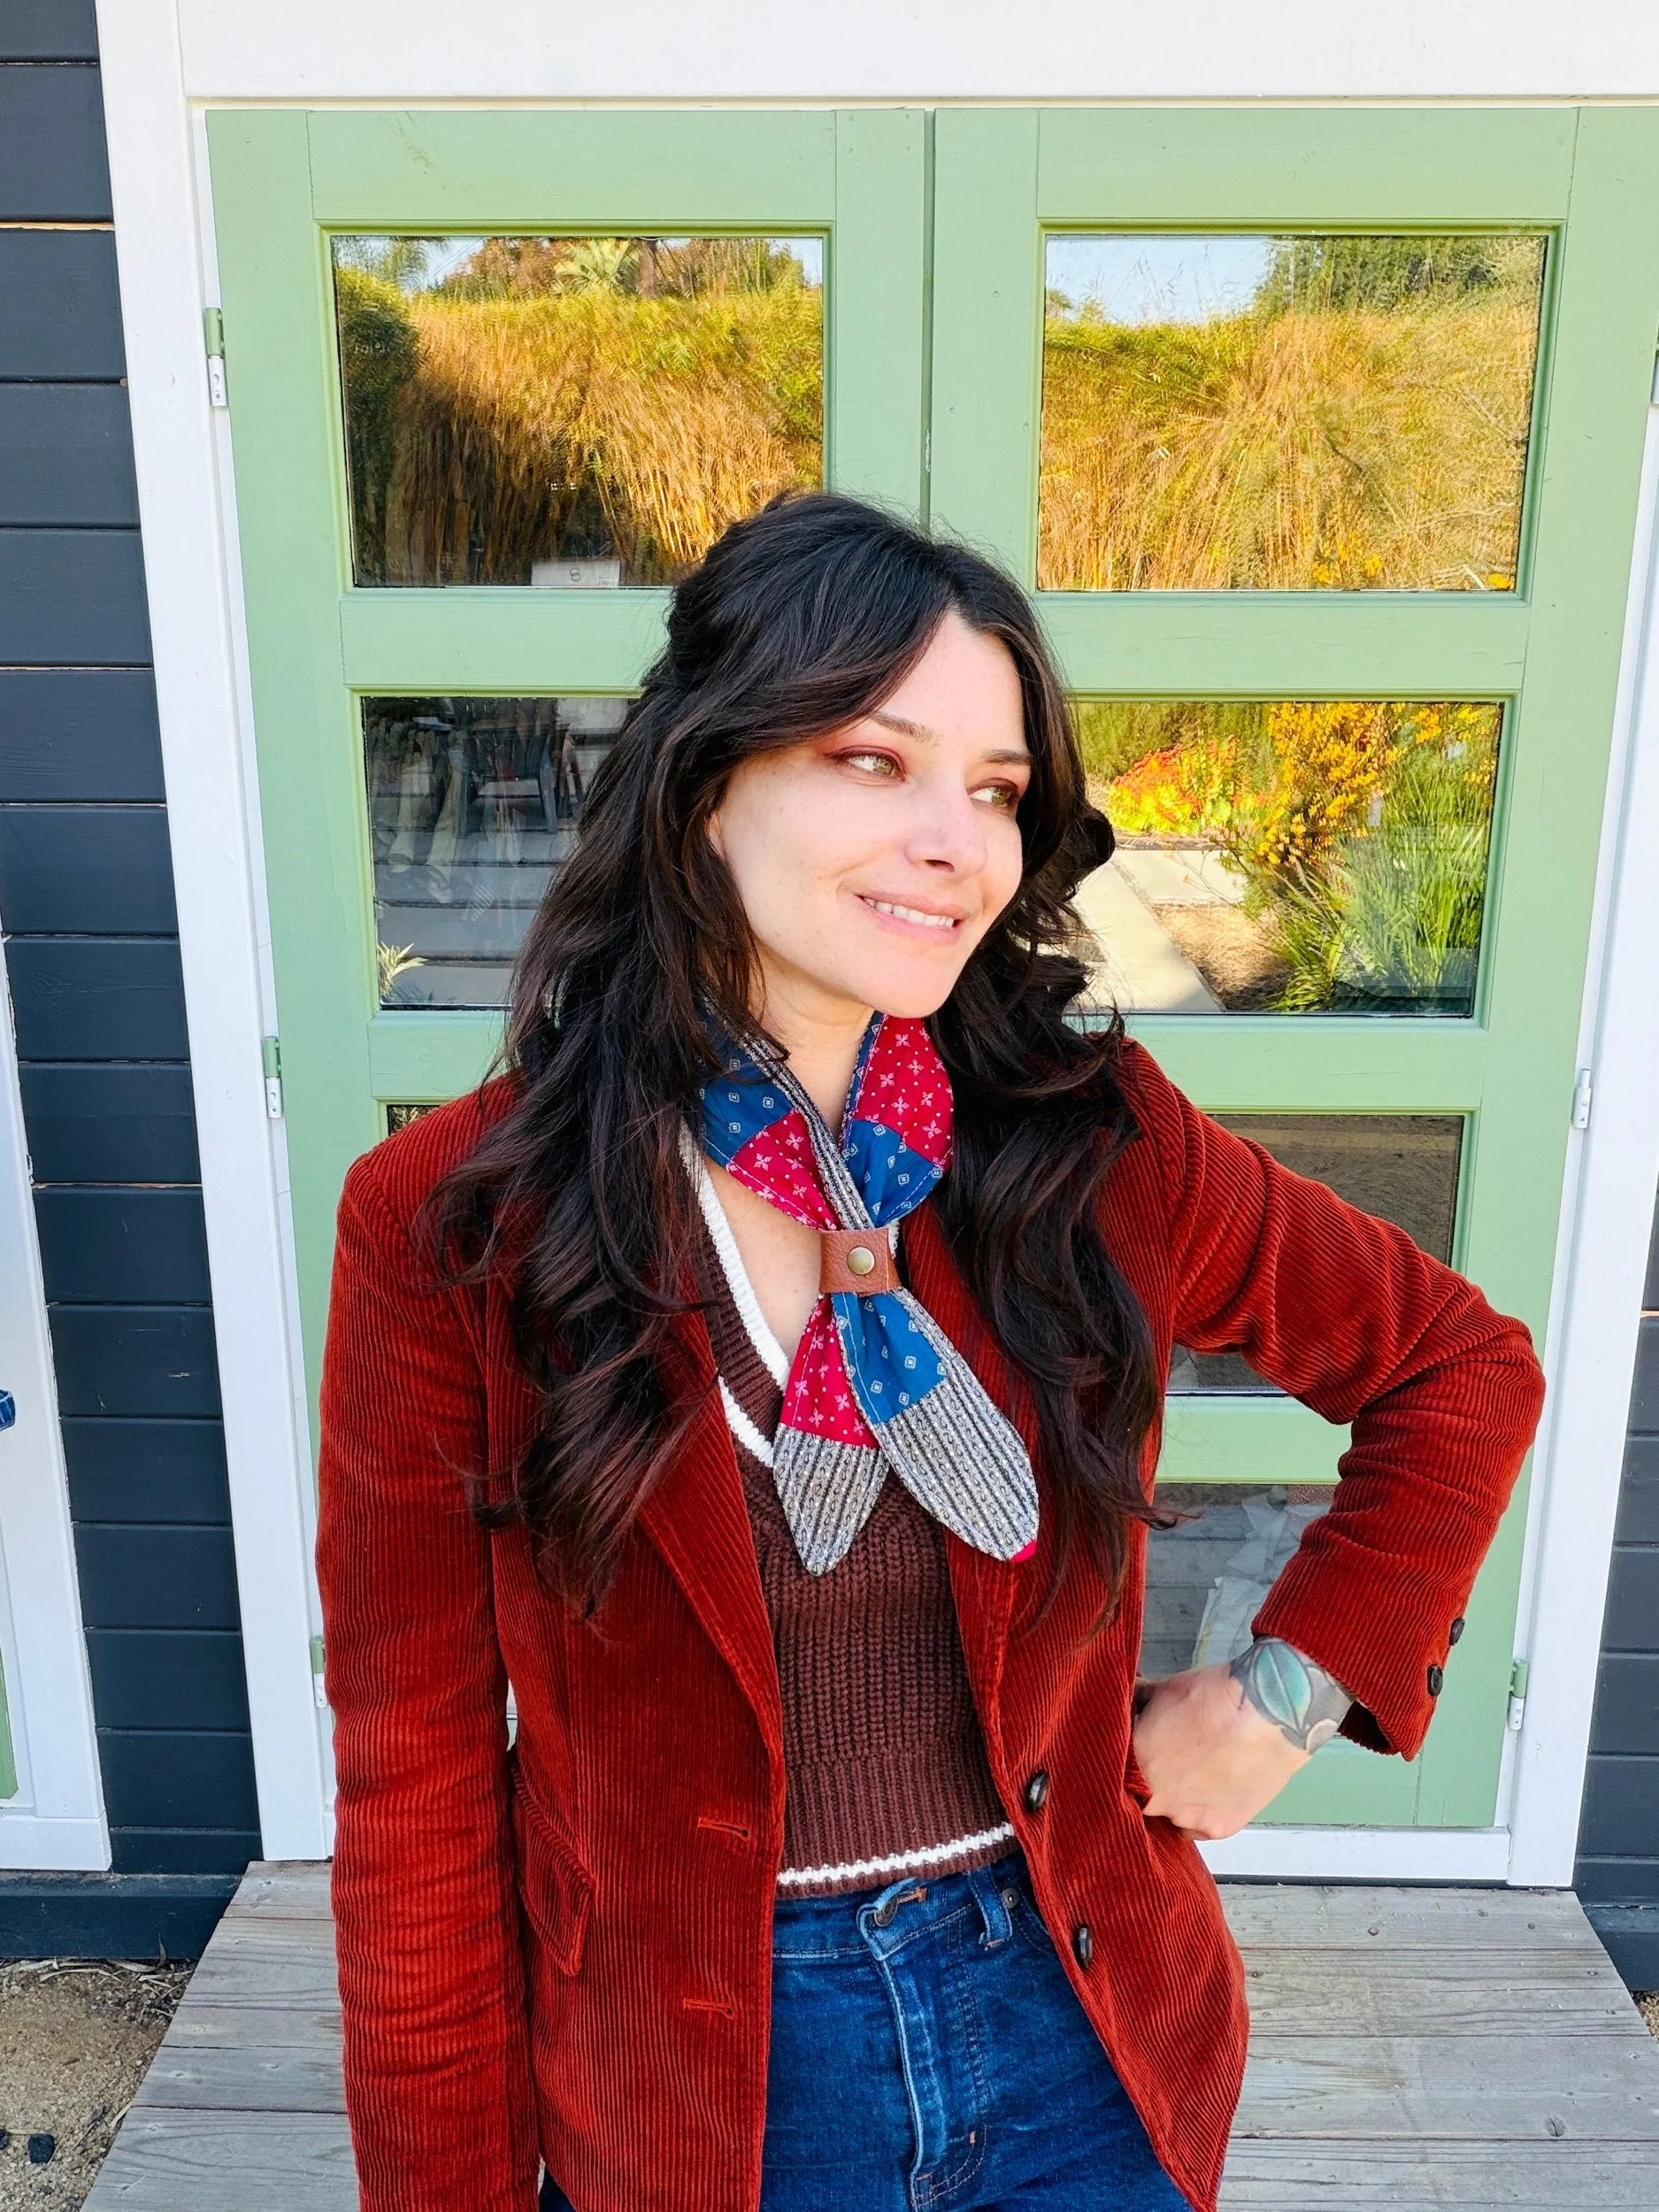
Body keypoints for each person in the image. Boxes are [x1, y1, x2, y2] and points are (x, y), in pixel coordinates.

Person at [316, 493, 1546, 2212]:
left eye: (993, 789)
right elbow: (417, 1792)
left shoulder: (1088, 1142)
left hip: (1077, 2034)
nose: (952, 842)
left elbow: (1457, 1367)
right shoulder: (456, 1223)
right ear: (705, 780)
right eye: (873, 760)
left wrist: (1284, 1695)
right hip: (710, 2080)